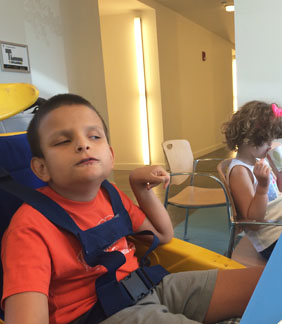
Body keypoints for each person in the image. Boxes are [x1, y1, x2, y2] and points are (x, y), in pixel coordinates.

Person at [1, 94, 263, 324]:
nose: (83, 144)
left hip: (151, 286)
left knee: (267, 283)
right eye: (63, 141)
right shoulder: (29, 228)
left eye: (94, 136)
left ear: (111, 155)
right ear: (40, 168)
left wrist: (141, 190)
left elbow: (161, 235)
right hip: (102, 315)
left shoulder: (110, 194)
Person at [221, 100, 282, 260]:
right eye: (266, 141)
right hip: (272, 241)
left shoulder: (260, 161)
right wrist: (262, 187)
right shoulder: (240, 171)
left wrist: (281, 173)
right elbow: (254, 223)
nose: (270, 145)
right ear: (249, 140)